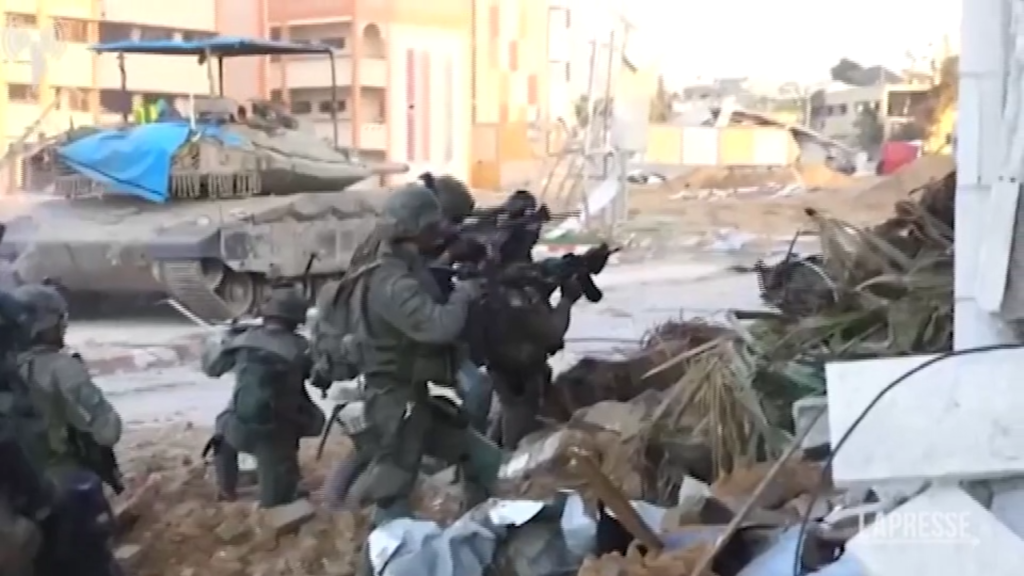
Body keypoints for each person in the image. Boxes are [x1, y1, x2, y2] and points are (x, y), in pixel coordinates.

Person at [343, 182, 502, 535]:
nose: (440, 230)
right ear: (415, 228)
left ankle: (483, 531)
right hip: (396, 405)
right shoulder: (390, 281)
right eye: (434, 224)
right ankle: (376, 553)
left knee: (486, 460)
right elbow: (438, 327)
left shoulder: (402, 265)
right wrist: (464, 294)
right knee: (393, 497)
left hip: (417, 400)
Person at [11, 283, 123, 576]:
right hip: (61, 482)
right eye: (60, 319)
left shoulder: (7, 371)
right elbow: (108, 431)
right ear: (44, 325)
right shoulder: (61, 368)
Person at [201, 287, 325, 507]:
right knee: (275, 503)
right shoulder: (301, 348)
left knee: (221, 428)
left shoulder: (244, 339)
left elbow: (212, 369)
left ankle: (226, 488)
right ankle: (284, 478)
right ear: (297, 319)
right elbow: (323, 380)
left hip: (237, 427)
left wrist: (223, 339)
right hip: (275, 437)